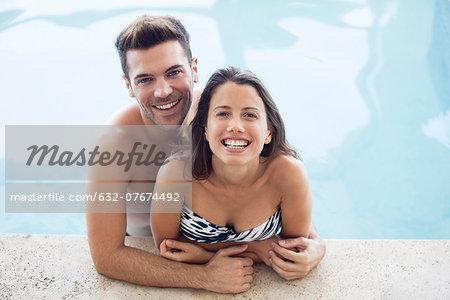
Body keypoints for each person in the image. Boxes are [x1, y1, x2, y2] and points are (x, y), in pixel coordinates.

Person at [85, 15, 326, 293]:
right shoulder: (114, 145)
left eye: (174, 72)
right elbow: (106, 257)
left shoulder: (219, 112)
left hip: (224, 236)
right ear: (128, 85)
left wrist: (317, 245)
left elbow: (275, 176)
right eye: (145, 79)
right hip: (151, 245)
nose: (163, 91)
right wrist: (204, 276)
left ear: (194, 68)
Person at [151, 66, 314, 278]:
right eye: (223, 114)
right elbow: (167, 247)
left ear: (268, 133)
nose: (235, 126)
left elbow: (292, 251)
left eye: (249, 115)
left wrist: (202, 253)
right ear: (206, 130)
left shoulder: (287, 174)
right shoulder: (175, 173)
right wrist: (257, 248)